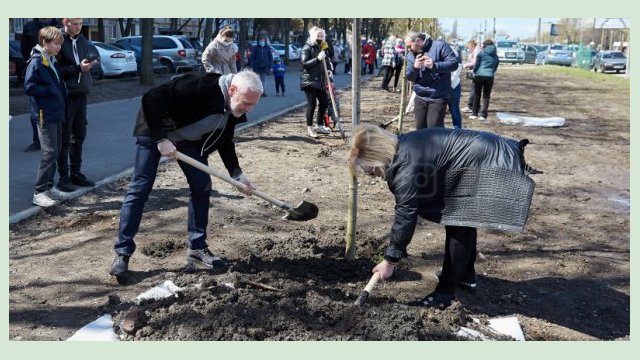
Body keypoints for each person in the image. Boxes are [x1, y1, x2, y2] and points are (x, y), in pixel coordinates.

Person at [349, 124, 535, 309]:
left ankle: (444, 293)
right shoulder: (405, 145)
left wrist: (390, 260)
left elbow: (406, 212)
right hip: (489, 154)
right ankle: (465, 276)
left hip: (490, 162)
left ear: (378, 154)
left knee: (459, 222)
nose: (374, 176)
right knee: (462, 219)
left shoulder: (404, 165)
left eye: (371, 171)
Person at [109, 70, 263, 279]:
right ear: (232, 89)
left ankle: (197, 247)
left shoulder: (234, 107)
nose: (249, 109)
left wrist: (237, 175)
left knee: (202, 186)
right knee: (140, 188)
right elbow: (151, 98)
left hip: (186, 140)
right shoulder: (199, 85)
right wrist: (160, 139)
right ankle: (123, 252)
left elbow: (225, 140)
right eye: (246, 103)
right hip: (154, 130)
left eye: (253, 105)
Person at [24, 26, 67, 207]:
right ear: (45, 43)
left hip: (56, 112)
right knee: (49, 153)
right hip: (45, 114)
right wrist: (50, 90)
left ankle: (49, 187)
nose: (59, 47)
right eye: (56, 44)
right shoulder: (36, 61)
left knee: (55, 151)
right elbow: (29, 87)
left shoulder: (50, 60)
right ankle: (39, 192)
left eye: (60, 44)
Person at [56, 18, 97, 192]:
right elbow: (55, 71)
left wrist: (92, 62)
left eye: (80, 23)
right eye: (74, 23)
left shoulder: (82, 40)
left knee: (79, 135)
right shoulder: (57, 40)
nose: (78, 26)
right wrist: (78, 69)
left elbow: (87, 58)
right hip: (65, 96)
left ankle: (76, 173)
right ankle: (63, 177)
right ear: (65, 22)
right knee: (64, 138)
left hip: (81, 94)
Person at [404, 31, 459, 130]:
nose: (408, 49)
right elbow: (409, 77)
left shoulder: (440, 46)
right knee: (420, 130)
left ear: (418, 41)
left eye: (409, 46)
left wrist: (434, 65)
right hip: (420, 96)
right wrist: (415, 67)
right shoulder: (411, 54)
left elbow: (454, 64)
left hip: (438, 96)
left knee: (434, 131)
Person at [21, 18, 60, 153]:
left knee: (54, 150)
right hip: (40, 68)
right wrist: (36, 61)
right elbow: (24, 48)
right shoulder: (30, 26)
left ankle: (51, 142)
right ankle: (38, 140)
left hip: (51, 64)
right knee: (38, 111)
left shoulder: (57, 24)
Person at [300, 26, 332, 139]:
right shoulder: (307, 48)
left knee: (324, 102)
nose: (320, 38)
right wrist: (317, 59)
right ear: (313, 36)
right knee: (312, 104)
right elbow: (304, 64)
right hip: (309, 81)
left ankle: (319, 125)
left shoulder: (323, 47)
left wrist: (329, 70)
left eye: (322, 36)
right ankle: (309, 128)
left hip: (320, 81)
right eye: (318, 36)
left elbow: (326, 61)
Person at [469, 39, 499, 121]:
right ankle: (483, 115)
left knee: (477, 94)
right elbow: (495, 66)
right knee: (486, 96)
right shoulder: (495, 55)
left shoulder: (481, 53)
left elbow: (477, 65)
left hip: (479, 75)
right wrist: (491, 72)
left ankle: (474, 113)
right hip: (490, 76)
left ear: (484, 46)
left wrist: (474, 72)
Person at [448, 42, 463, 129]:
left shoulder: (454, 56)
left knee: (454, 109)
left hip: (453, 86)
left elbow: (454, 75)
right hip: (453, 85)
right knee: (454, 109)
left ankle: (458, 130)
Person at [462, 39, 480, 113]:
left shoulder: (477, 51)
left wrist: (466, 65)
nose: (468, 48)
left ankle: (470, 106)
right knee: (475, 90)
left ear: (472, 45)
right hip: (477, 72)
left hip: (477, 72)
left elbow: (474, 62)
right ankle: (476, 106)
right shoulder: (475, 50)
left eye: (469, 46)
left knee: (474, 89)